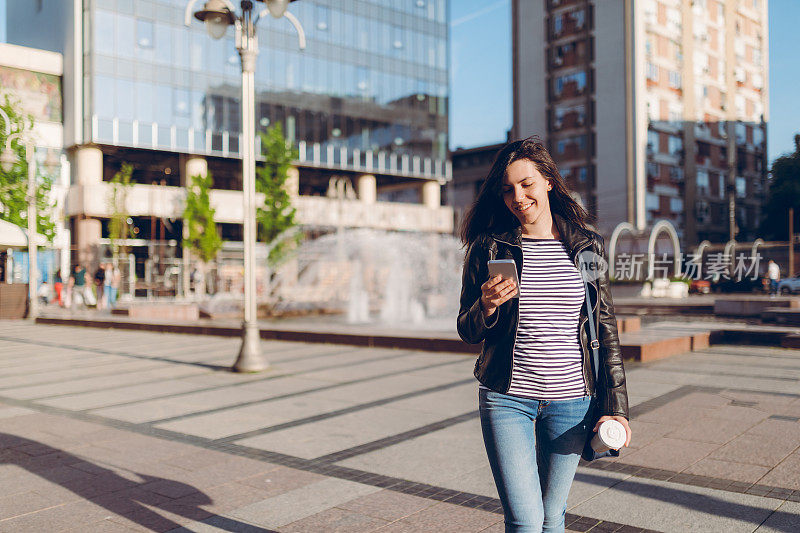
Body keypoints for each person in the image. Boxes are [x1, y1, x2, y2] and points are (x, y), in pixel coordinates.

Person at [457, 138, 631, 532]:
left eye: (526, 184)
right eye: (507, 189)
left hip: (572, 401)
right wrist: (485, 306)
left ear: (549, 181)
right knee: (525, 519)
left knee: (553, 516)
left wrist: (616, 405)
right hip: (507, 399)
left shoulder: (587, 246)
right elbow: (466, 329)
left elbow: (604, 327)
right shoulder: (489, 247)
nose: (518, 197)